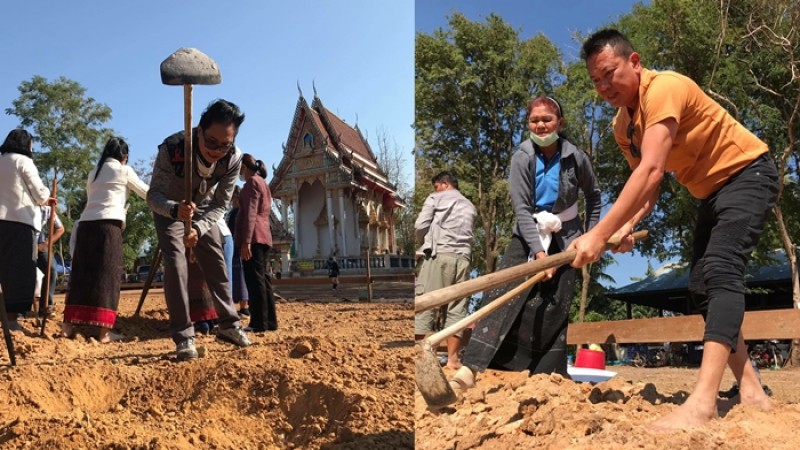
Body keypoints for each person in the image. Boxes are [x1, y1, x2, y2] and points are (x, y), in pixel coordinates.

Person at [571, 29, 777, 430]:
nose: (603, 86)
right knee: (700, 287)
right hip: (711, 193)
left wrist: (597, 233)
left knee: (720, 269)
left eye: (609, 73)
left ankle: (703, 403)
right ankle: (751, 390)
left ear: (635, 62)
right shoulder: (622, 127)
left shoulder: (663, 88)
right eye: (595, 80)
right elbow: (650, 187)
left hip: (748, 173)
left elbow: (649, 170)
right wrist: (626, 226)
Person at [450, 96, 602, 391]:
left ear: (560, 122)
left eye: (547, 119)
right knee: (501, 296)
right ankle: (471, 368)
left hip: (568, 238)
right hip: (528, 233)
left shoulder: (576, 157)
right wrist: (539, 253)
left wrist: (590, 236)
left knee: (555, 304)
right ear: (528, 124)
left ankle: (548, 376)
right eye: (534, 120)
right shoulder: (522, 157)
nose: (541, 125)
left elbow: (594, 197)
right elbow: (521, 209)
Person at [147, 99, 251, 360]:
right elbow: (153, 196)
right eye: (211, 142)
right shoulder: (172, 148)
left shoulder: (234, 159)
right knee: (176, 264)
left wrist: (200, 228)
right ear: (199, 131)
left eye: (224, 145)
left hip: (203, 209)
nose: (216, 150)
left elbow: (220, 205)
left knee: (216, 258)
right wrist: (174, 210)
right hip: (169, 208)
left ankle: (229, 325)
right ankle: (184, 336)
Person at [61, 136, 148, 342]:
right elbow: (146, 193)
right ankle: (103, 333)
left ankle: (67, 327)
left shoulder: (93, 173)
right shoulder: (123, 170)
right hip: (108, 227)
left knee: (81, 276)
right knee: (107, 277)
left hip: (85, 225)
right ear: (124, 156)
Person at [414, 171, 477, 370]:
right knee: (457, 310)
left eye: (436, 186)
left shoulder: (436, 198)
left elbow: (420, 224)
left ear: (444, 184)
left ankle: (419, 357)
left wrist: (423, 244)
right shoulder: (470, 206)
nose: (435, 190)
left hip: (439, 255)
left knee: (426, 304)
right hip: (463, 260)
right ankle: (452, 359)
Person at [0, 129, 55, 331]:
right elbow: (40, 194)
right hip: (19, 223)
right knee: (19, 271)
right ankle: (12, 320)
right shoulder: (23, 161)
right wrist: (48, 196)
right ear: (26, 145)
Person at [235, 153, 278, 332]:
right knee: (264, 280)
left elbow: (251, 212)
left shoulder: (251, 183)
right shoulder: (263, 183)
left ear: (243, 167)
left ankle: (258, 322)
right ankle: (270, 322)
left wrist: (246, 241)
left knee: (254, 281)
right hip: (264, 234)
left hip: (253, 236)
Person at [36, 204, 65, 317]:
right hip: (22, 241)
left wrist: (46, 244)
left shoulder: (47, 209)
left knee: (51, 269)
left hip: (40, 243)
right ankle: (17, 309)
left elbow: (60, 228)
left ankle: (46, 306)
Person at [226, 185, 250, 316]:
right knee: (237, 276)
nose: (232, 201)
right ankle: (242, 305)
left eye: (233, 198)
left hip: (238, 247)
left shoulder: (239, 211)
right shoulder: (233, 212)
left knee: (240, 276)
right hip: (233, 247)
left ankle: (244, 306)